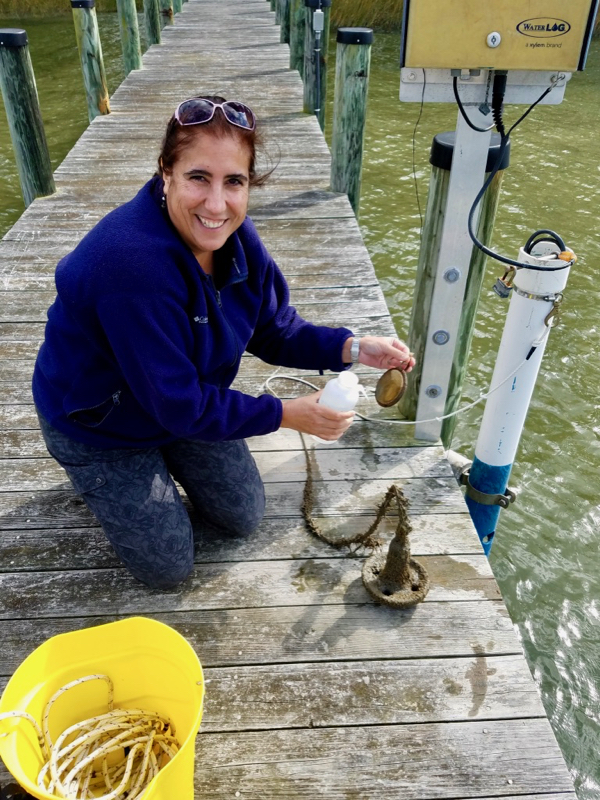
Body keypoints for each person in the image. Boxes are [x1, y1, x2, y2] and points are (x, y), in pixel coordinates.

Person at [32, 95, 415, 590]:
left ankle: (163, 460)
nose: (217, 205)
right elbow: (180, 404)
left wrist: (354, 348)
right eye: (198, 177)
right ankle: (96, 473)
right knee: (168, 568)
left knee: (243, 515)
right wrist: (285, 413)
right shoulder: (128, 265)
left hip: (177, 402)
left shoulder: (235, 238)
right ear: (165, 171)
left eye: (234, 182)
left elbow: (275, 329)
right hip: (101, 423)